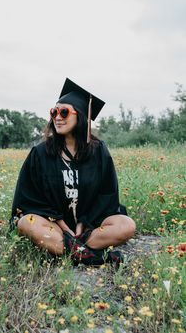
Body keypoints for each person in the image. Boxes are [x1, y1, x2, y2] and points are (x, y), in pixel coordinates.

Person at [10, 78, 136, 266]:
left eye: (64, 112)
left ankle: (71, 249)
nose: (57, 117)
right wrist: (60, 223)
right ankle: (90, 254)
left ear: (81, 115)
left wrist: (83, 222)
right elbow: (29, 197)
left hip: (90, 226)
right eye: (54, 112)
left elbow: (107, 193)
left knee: (127, 225)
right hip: (53, 226)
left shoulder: (98, 151)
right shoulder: (40, 153)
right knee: (26, 223)